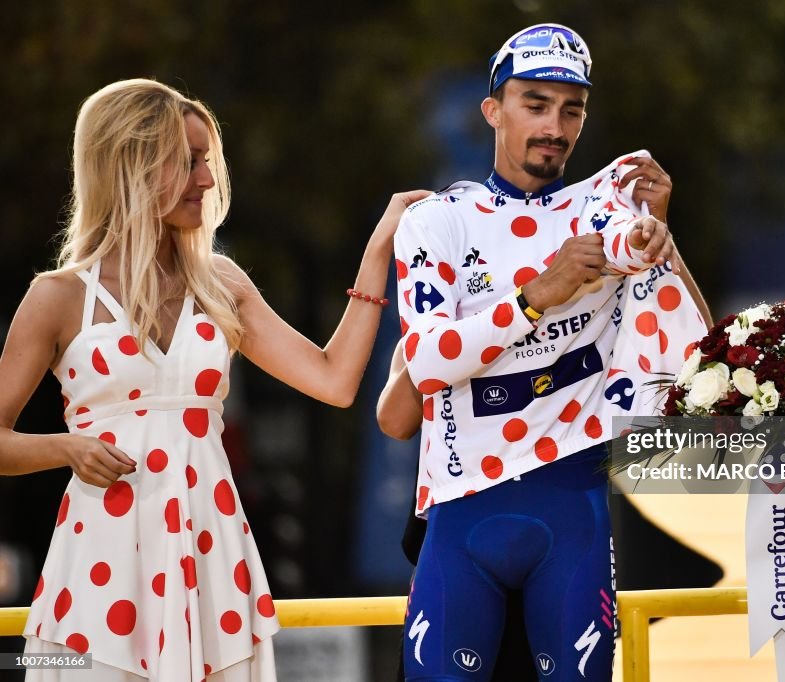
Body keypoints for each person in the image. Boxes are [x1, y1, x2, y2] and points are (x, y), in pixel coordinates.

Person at [0, 78, 428, 681]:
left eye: (207, 160)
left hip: (212, 559)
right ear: (132, 164)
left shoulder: (220, 282)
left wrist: (379, 249)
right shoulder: (56, 297)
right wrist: (66, 448)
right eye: (189, 161)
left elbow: (333, 382)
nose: (206, 178)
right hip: (99, 566)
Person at [391, 23, 710, 681]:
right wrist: (537, 295)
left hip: (572, 511)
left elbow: (695, 351)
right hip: (461, 511)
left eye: (572, 109)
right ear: (492, 110)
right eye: (535, 103)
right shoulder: (438, 220)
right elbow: (426, 360)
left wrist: (658, 237)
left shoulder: (601, 205)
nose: (555, 126)